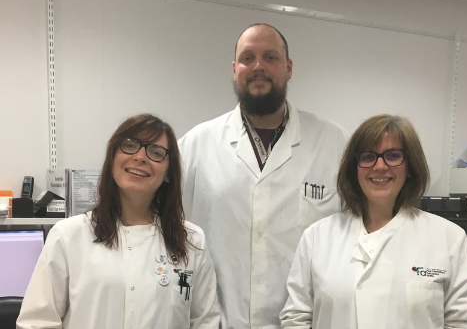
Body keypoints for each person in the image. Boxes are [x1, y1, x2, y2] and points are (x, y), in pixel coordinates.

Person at [178, 23, 349, 329]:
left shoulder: (333, 142)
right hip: (217, 322)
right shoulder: (196, 144)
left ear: (289, 67)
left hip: (305, 322)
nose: (258, 67)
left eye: (270, 57)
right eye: (247, 58)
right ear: (234, 69)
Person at [17, 114, 220, 329]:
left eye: (156, 152)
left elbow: (205, 322)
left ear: (169, 172)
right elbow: (37, 323)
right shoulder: (68, 235)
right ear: (112, 158)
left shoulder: (191, 241)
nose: (141, 157)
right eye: (130, 145)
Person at [280, 114, 467, 329]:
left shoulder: (448, 237)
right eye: (367, 156)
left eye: (393, 155)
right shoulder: (317, 236)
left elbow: (462, 323)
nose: (380, 166)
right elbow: (296, 318)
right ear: (354, 168)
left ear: (411, 167)